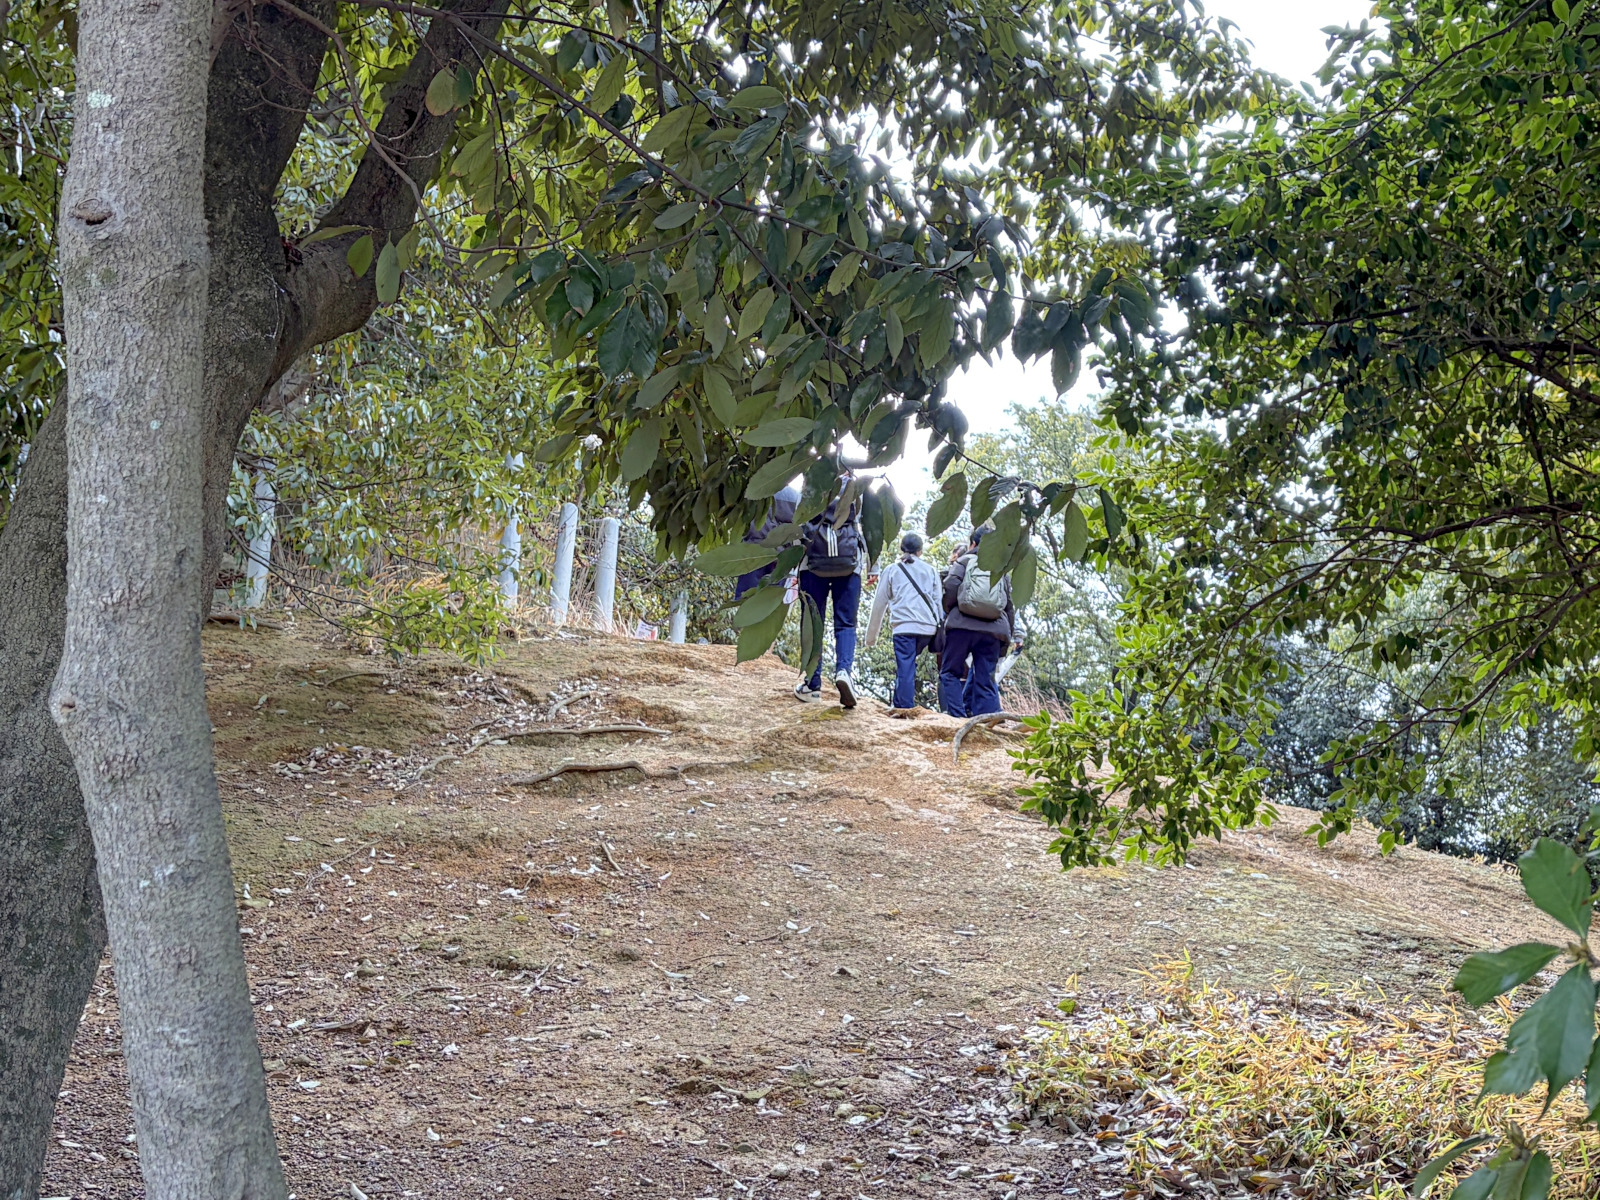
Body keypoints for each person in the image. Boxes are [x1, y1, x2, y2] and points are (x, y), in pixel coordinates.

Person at [794, 476, 870, 707]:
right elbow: (867, 528)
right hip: (849, 564)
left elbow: (797, 527)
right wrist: (872, 565)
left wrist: (792, 567)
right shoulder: (855, 490)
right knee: (846, 623)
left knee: (813, 622)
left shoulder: (810, 488)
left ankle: (812, 684)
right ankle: (844, 672)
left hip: (812, 564)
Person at [939, 526, 1017, 717]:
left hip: (962, 627)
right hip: (993, 631)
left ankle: (957, 718)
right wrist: (1007, 636)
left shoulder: (964, 561)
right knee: (985, 679)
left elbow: (950, 586)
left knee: (950, 673)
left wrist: (951, 611)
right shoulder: (1000, 569)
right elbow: (1008, 605)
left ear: (973, 543)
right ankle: (991, 721)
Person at [864, 532, 942, 710]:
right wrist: (939, 626)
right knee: (908, 663)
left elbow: (879, 603)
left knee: (905, 664)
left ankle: (904, 708)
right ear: (920, 551)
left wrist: (871, 638)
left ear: (902, 549)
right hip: (928, 628)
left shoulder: (892, 570)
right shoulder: (930, 570)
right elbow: (938, 600)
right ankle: (899, 702)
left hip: (904, 626)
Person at [734, 483, 800, 601]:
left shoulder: (756, 492)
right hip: (779, 557)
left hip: (752, 553)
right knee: (771, 602)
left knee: (745, 600)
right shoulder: (795, 498)